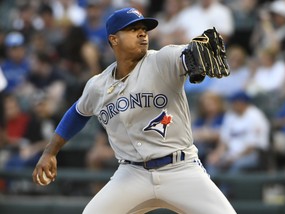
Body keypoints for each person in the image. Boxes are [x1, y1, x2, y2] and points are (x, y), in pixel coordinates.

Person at [32, 7, 236, 214]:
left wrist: (192, 56)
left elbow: (183, 56)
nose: (142, 33)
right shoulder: (97, 85)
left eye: (144, 29)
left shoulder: (161, 61)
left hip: (180, 168)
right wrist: (50, 151)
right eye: (132, 29)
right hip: (132, 174)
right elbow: (77, 113)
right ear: (114, 39)